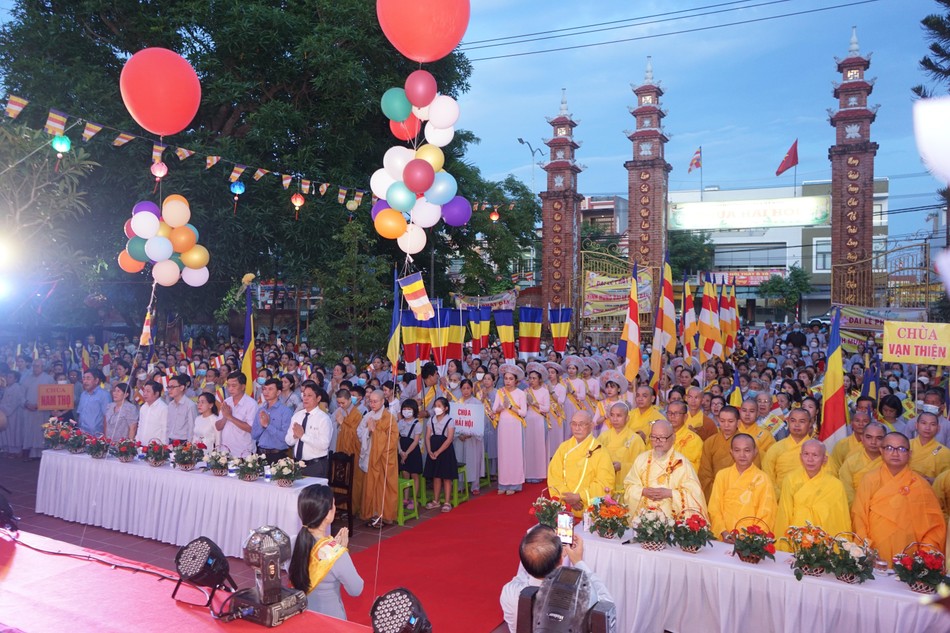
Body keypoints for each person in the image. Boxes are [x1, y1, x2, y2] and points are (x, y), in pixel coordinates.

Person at [852, 432, 947, 566]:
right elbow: (859, 516)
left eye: (901, 449)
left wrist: (923, 558)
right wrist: (866, 549)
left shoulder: (920, 485)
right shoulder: (870, 480)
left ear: (910, 453)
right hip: (874, 554)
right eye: (889, 448)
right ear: (881, 451)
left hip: (909, 557)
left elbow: (934, 526)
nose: (895, 453)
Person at [499, 526, 613, 633]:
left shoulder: (509, 591)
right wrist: (578, 562)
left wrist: (554, 557)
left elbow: (527, 570)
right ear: (561, 560)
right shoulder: (580, 598)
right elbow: (607, 608)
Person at [288, 484, 363, 620]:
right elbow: (356, 589)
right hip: (331, 621)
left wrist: (337, 550)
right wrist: (341, 551)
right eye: (333, 505)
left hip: (301, 617)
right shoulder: (336, 554)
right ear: (327, 515)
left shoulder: (292, 543)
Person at [623, 419, 707, 520]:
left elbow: (694, 494)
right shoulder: (641, 459)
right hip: (642, 517)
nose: (657, 441)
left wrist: (670, 493)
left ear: (673, 438)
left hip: (672, 520)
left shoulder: (682, 463)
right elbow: (629, 486)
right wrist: (643, 491)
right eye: (654, 437)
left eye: (662, 438)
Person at [775, 439, 851, 550]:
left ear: (824, 459)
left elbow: (841, 519)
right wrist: (782, 544)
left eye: (815, 455)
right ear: (800, 457)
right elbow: (784, 513)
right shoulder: (790, 479)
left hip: (824, 539)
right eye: (806, 454)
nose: (810, 459)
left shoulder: (835, 485)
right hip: (796, 536)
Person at [708, 433, 777, 540]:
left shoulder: (763, 479)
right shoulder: (722, 475)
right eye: (737, 450)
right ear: (731, 452)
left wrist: (751, 538)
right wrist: (724, 532)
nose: (742, 455)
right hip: (724, 537)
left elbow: (767, 513)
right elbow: (714, 508)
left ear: (755, 452)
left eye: (747, 450)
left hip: (750, 541)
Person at [547, 410, 615, 517]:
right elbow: (554, 476)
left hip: (588, 509)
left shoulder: (600, 451)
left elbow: (605, 482)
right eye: (574, 424)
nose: (577, 428)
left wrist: (580, 496)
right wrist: (568, 498)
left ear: (591, 426)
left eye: (582, 424)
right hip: (565, 505)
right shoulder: (563, 447)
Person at [358, 390, 399, 527]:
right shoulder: (368, 416)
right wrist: (369, 431)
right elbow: (359, 433)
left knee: (383, 487)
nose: (372, 404)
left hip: (383, 458)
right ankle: (372, 514)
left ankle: (384, 515)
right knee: (371, 486)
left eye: (375, 401)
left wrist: (375, 430)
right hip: (371, 456)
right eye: (370, 401)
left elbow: (392, 440)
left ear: (382, 401)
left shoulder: (389, 417)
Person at [698, 405, 758, 500]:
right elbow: (704, 475)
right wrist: (717, 490)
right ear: (718, 421)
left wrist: (734, 491)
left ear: (738, 423)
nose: (726, 425)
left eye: (730, 421)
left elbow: (753, 472)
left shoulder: (747, 443)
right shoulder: (710, 442)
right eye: (722, 421)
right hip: (714, 491)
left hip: (741, 493)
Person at [762, 408, 814, 498]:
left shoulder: (817, 450)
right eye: (793, 421)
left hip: (810, 499)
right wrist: (780, 495)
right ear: (788, 422)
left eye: (802, 421)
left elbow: (826, 476)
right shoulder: (775, 448)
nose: (797, 425)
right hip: (780, 498)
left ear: (810, 424)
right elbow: (767, 476)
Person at [493, 364, 528, 495]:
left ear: (516, 380)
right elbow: (494, 409)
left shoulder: (521, 394)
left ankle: (515, 484)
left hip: (515, 425)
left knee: (515, 453)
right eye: (506, 378)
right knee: (504, 453)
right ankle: (503, 483)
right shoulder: (500, 392)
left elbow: (523, 412)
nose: (508, 381)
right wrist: (503, 407)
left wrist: (511, 407)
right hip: (503, 425)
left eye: (511, 379)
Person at [285, 381, 332, 478]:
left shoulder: (323, 419)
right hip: (297, 465)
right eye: (304, 395)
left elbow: (324, 445)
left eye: (309, 395)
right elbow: (288, 441)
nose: (305, 398)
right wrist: (295, 436)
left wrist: (302, 436)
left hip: (316, 465)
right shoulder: (297, 416)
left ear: (318, 398)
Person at [598, 402, 646, 494]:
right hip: (605, 485)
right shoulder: (603, 437)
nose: (615, 419)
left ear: (627, 418)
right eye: (612, 415)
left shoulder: (635, 439)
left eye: (619, 415)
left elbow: (642, 467)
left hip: (626, 487)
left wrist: (622, 466)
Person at [423, 396, 459, 513]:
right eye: (435, 406)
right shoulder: (431, 420)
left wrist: (438, 452)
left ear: (446, 408)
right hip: (433, 449)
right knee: (436, 476)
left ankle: (447, 501)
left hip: (445, 451)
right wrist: (429, 451)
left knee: (446, 477)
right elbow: (427, 437)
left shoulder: (450, 420)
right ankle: (436, 500)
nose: (436, 408)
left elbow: (449, 439)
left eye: (439, 406)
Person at [838, 422, 885, 505]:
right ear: (862, 438)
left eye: (879, 438)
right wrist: (858, 507)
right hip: (855, 506)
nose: (873, 442)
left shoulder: (891, 462)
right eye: (869, 437)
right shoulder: (851, 462)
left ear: (885, 440)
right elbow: (846, 490)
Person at [333, 388, 364, 515]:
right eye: (338, 403)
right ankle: (341, 507)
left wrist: (342, 423)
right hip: (341, 449)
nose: (340, 405)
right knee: (340, 477)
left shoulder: (357, 414)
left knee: (353, 479)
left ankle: (352, 508)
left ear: (350, 400)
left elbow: (356, 435)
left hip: (353, 451)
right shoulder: (339, 411)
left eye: (343, 403)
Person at [252, 378, 293, 465]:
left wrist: (268, 425)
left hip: (277, 455)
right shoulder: (261, 410)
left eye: (270, 389)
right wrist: (262, 426)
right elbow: (254, 435)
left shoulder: (286, 411)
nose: (266, 392)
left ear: (278, 392)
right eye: (264, 389)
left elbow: (286, 438)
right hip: (261, 454)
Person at [216, 371, 258, 457]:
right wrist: (225, 417)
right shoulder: (226, 402)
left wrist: (230, 417)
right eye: (228, 385)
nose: (230, 389)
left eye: (234, 386)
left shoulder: (251, 404)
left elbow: (251, 429)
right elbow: (218, 427)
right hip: (225, 452)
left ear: (243, 387)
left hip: (244, 453)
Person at [455, 379, 485, 495]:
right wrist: (459, 434)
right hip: (460, 438)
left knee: (474, 461)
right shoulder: (457, 403)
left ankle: (475, 485)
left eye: (468, 388)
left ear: (472, 389)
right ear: (460, 389)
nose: (466, 391)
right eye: (463, 388)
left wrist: (471, 433)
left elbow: (479, 422)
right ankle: (460, 485)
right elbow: (454, 421)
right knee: (460, 459)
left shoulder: (477, 403)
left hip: (473, 438)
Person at [20, 357, 54, 459]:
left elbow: (53, 395)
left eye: (37, 366)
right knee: (29, 432)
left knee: (41, 432)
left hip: (42, 411)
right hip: (28, 410)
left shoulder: (49, 379)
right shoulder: (26, 379)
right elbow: (21, 394)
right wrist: (26, 403)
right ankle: (29, 454)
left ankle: (41, 455)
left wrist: (41, 405)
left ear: (42, 367)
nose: (35, 368)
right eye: (34, 366)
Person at [524, 363, 550, 483]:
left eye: (534, 378)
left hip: (539, 420)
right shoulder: (526, 391)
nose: (532, 380)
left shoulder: (544, 391)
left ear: (540, 379)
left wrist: (534, 403)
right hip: (528, 420)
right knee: (528, 446)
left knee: (539, 446)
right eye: (530, 378)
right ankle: (528, 473)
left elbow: (547, 408)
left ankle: (539, 473)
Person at [908, 411, 950, 483]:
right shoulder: (906, 445)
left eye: (932, 424)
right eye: (924, 423)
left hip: (929, 488)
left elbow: (946, 479)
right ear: (916, 425)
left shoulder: (945, 452)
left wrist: (935, 480)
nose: (927, 428)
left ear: (938, 428)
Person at [662, 400, 703, 472]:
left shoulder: (693, 439)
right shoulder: (660, 435)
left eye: (676, 413)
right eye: (669, 413)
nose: (672, 416)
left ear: (685, 417)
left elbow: (688, 465)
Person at [398, 398, 423, 510]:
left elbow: (416, 441)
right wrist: (400, 451)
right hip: (402, 449)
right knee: (405, 474)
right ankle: (405, 498)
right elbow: (397, 438)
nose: (406, 411)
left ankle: (415, 499)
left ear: (414, 410)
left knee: (414, 475)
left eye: (409, 409)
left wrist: (406, 453)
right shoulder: (400, 423)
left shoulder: (417, 424)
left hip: (413, 452)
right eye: (404, 409)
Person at [828, 409, 871, 475]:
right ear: (851, 423)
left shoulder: (873, 445)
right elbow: (835, 466)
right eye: (857, 421)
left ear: (870, 424)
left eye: (865, 421)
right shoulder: (842, 444)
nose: (861, 424)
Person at [76, 369, 111, 436]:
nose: (85, 381)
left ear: (96, 381)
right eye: (84, 378)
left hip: (97, 435)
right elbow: (80, 413)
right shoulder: (83, 394)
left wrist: (105, 437)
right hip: (82, 433)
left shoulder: (104, 395)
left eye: (88, 378)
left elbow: (107, 417)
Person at [166, 374, 198, 444]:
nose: (169, 390)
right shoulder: (170, 405)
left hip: (183, 442)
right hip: (170, 441)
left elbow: (192, 427)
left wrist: (189, 445)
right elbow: (168, 425)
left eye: (172, 387)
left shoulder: (190, 405)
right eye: (168, 387)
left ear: (181, 388)